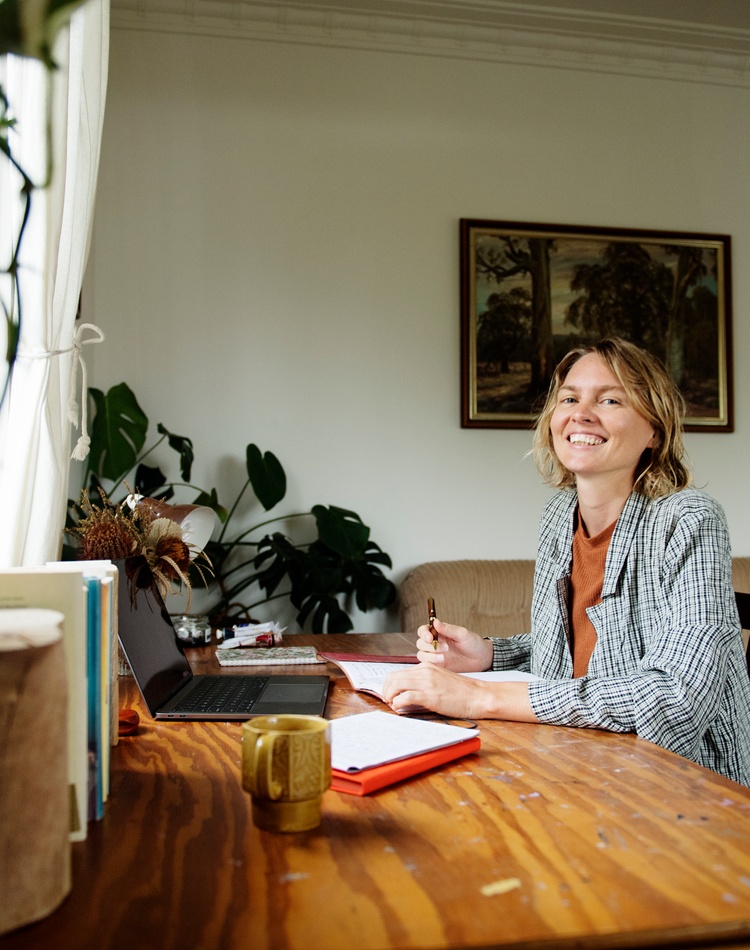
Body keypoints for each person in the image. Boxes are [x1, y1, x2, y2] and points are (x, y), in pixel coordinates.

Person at [383, 338, 750, 786]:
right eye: (570, 398)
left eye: (610, 399)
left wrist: (480, 698)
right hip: (577, 760)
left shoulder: (689, 519)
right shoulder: (558, 516)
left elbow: (677, 698)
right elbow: (574, 656)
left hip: (687, 790)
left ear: (654, 430)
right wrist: (489, 656)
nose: (581, 413)